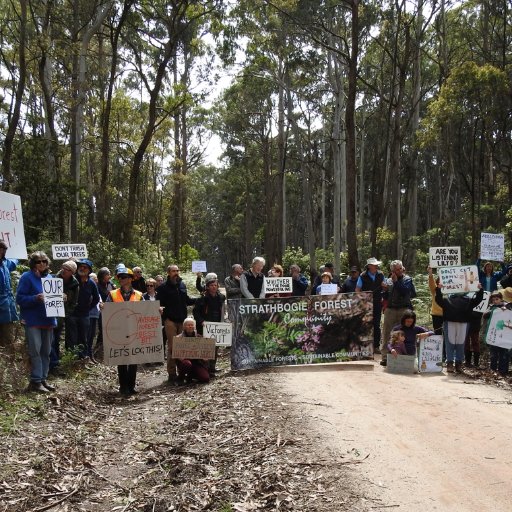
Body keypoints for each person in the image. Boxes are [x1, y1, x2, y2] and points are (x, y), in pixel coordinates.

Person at [16, 251, 57, 393]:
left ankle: (43, 379)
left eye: (44, 261)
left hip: (49, 320)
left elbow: (54, 298)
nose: (41, 264)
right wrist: (35, 298)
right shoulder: (27, 277)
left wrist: (61, 297)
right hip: (33, 320)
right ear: (33, 263)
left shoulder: (51, 277)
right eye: (38, 261)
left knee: (46, 351)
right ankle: (36, 381)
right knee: (36, 351)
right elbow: (20, 299)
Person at [155, 264, 196, 384]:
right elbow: (158, 305)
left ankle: (182, 372)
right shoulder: (162, 288)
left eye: (177, 270)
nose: (176, 273)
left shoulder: (182, 285)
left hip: (182, 320)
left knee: (183, 348)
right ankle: (172, 374)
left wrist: (198, 299)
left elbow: (187, 300)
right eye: (173, 271)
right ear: (168, 273)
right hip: (170, 321)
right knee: (173, 348)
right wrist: (163, 315)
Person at [106, 265, 144, 395]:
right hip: (118, 330)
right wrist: (102, 307)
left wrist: (157, 310)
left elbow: (146, 311)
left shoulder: (139, 295)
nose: (121, 279)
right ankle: (123, 387)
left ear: (131, 279)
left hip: (134, 330)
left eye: (124, 277)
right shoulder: (112, 294)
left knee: (133, 359)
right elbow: (107, 312)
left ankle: (131, 386)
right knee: (121, 359)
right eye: (119, 277)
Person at [435, 283, 484, 373]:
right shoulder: (447, 299)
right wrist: (438, 289)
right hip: (450, 323)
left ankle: (458, 364)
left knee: (461, 344)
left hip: (464, 323)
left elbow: (478, 299)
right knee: (450, 343)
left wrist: (480, 290)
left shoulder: (469, 300)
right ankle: (450, 363)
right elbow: (438, 300)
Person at [380, 260, 416, 366]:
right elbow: (385, 297)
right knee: (387, 332)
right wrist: (385, 290)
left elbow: (405, 291)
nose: (400, 270)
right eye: (397, 269)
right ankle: (385, 357)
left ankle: (403, 356)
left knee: (403, 333)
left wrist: (396, 282)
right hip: (390, 309)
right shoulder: (388, 280)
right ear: (393, 271)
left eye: (401, 268)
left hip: (403, 309)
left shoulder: (407, 279)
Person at [193, 274, 226, 375]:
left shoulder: (221, 297)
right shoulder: (201, 299)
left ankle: (212, 367)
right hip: (204, 326)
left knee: (215, 347)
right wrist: (201, 321)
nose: (214, 287)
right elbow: (195, 313)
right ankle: (204, 368)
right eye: (211, 285)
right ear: (207, 287)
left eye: (215, 285)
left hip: (217, 326)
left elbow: (223, 310)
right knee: (205, 348)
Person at [67, 258, 99, 358]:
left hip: (84, 315)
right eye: (80, 266)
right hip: (72, 314)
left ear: (89, 270)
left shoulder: (91, 283)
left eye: (85, 267)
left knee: (83, 337)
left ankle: (82, 357)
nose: (82, 268)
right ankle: (71, 358)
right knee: (71, 337)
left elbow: (96, 298)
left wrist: (88, 308)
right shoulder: (72, 280)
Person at [50, 260, 79, 371]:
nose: (63, 270)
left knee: (56, 339)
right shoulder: (53, 278)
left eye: (67, 269)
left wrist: (66, 314)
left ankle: (56, 362)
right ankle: (51, 363)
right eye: (63, 267)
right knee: (51, 339)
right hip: (51, 313)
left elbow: (74, 303)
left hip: (63, 315)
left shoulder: (75, 284)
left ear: (72, 272)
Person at [356, 257, 385, 353]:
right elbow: (357, 290)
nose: (376, 266)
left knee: (376, 325)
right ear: (369, 266)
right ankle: (365, 346)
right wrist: (361, 300)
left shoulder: (381, 275)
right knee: (365, 324)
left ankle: (376, 346)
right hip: (366, 304)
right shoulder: (362, 276)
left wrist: (385, 288)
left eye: (376, 265)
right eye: (374, 265)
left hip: (377, 303)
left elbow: (385, 287)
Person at [483, 291, 511, 377]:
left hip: (505, 335)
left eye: (497, 299)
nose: (495, 301)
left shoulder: (508, 306)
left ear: (501, 299)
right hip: (494, 335)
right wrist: (495, 311)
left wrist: (505, 309)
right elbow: (485, 315)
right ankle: (493, 370)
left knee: (504, 354)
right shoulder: (491, 307)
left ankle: (503, 372)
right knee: (493, 354)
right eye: (493, 300)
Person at [175, 318, 210, 384]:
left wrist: (205, 358)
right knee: (187, 364)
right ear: (184, 326)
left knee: (205, 378)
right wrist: (179, 357)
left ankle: (191, 376)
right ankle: (180, 378)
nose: (190, 326)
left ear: (194, 326)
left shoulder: (200, 337)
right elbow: (173, 352)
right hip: (185, 362)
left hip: (196, 362)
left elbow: (205, 352)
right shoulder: (178, 338)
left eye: (192, 325)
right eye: (188, 325)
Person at [0, 240, 19, 359]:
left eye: (2, 251)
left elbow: (14, 261)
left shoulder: (5, 264)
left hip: (7, 310)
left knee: (8, 341)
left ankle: (9, 372)